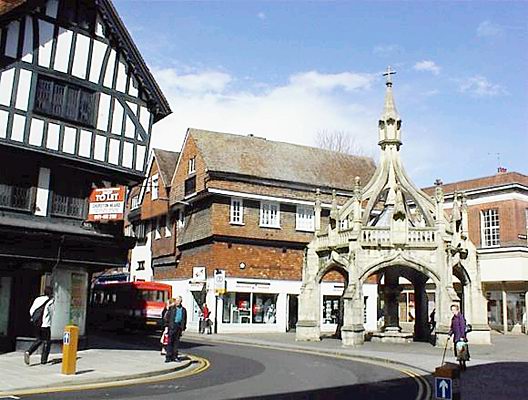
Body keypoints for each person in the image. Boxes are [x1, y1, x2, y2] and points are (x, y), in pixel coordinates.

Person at [25, 286, 54, 365]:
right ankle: (43, 360)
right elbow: (52, 312)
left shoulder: (37, 299)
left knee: (39, 339)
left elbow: (32, 310)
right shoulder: (51, 300)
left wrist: (36, 319)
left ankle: (29, 351)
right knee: (47, 342)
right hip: (45, 324)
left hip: (37, 324)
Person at [164, 296, 187, 362]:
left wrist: (183, 328)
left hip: (179, 327)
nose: (177, 302)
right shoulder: (171, 308)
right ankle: (168, 357)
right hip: (172, 326)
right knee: (170, 342)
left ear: (181, 302)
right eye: (177, 301)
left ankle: (174, 356)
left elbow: (184, 319)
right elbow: (166, 317)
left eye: (179, 301)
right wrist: (166, 326)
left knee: (176, 343)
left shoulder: (183, 310)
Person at [448, 304, 470, 370]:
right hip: (456, 337)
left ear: (457, 310)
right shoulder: (453, 318)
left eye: (454, 310)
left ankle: (463, 365)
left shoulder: (460, 317)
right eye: (452, 310)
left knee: (462, 352)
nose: (453, 311)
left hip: (461, 337)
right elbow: (452, 327)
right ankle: (460, 364)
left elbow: (462, 327)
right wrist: (449, 334)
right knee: (458, 352)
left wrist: (462, 336)